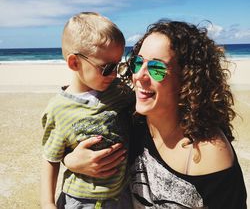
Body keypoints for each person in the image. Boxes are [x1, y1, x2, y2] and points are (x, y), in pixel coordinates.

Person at [64, 19, 247, 208]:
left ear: (187, 79)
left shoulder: (210, 152)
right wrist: (70, 161)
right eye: (137, 63)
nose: (139, 76)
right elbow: (71, 141)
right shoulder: (129, 120)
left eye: (156, 68)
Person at [41, 12, 134, 209]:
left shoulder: (120, 91)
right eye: (107, 67)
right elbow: (51, 158)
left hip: (122, 193)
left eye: (118, 65)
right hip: (82, 201)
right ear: (75, 63)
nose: (115, 74)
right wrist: (47, 203)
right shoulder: (58, 109)